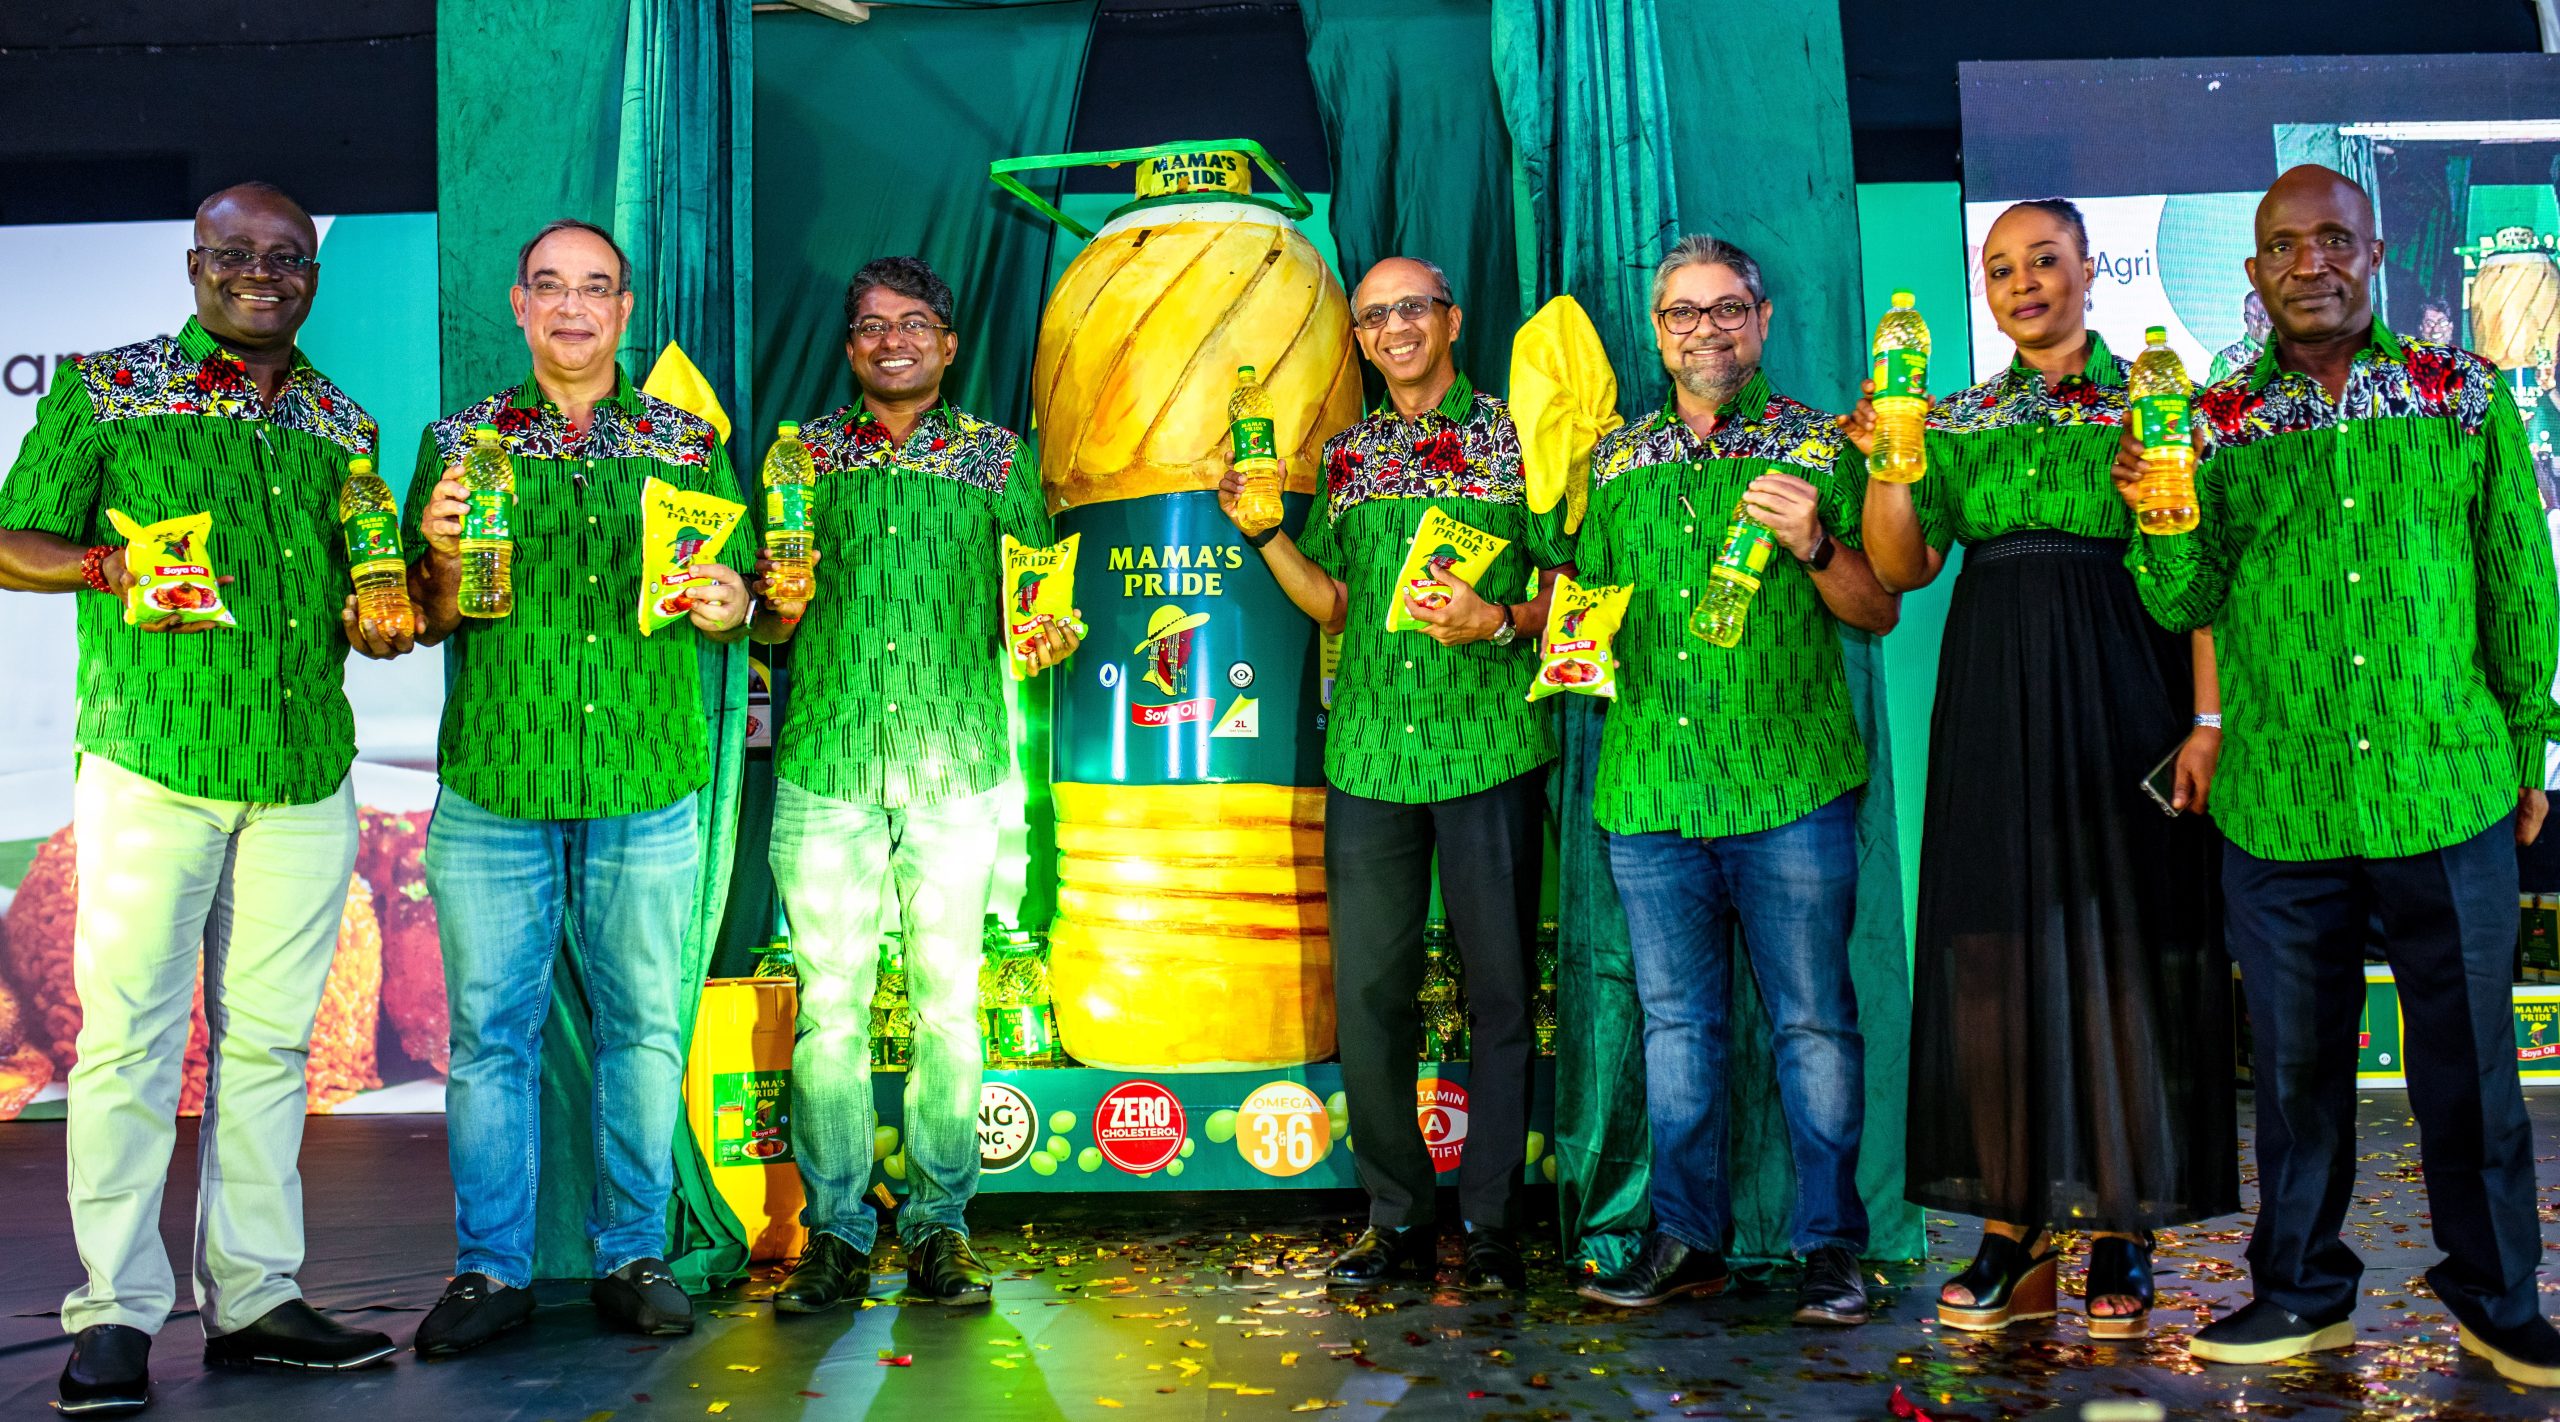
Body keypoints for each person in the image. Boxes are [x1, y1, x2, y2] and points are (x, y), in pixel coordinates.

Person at [2116, 164, 2560, 1386]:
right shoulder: (2210, 420)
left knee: (2469, 1068)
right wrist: (2158, 519)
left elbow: (2516, 577)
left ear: (2372, 254)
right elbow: (2184, 602)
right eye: (2283, 245)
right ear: (2252, 270)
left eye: (2332, 240)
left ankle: (2497, 1300)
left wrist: (2528, 741)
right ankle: (2300, 1294)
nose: (2308, 262)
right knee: (2297, 1075)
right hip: (2282, 799)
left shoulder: (2461, 396)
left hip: (2443, 784)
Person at [0, 182, 410, 1415]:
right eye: (235, 254)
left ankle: (255, 1298)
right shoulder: (107, 389)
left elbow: (353, 589)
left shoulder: (342, 421)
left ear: (312, 277)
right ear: (194, 266)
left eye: (286, 257)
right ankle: (115, 1315)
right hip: (154, 764)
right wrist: (108, 563)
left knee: (273, 1049)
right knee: (129, 1046)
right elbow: (14, 540)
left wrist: (379, 618)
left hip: (303, 768)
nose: (261, 275)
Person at [1851, 198, 2235, 1341]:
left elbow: (2201, 570)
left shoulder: (2157, 400)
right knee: (1990, 950)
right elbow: (1900, 567)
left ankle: (2121, 1223)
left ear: (2087, 270)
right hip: (1991, 689)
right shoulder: (1956, 415)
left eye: (2044, 261)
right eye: (2001, 268)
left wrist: (2205, 718)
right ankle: (2010, 1230)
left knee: (2121, 948)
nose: (2022, 283)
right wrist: (1889, 461)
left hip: (2124, 685)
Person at [404, 218, 753, 1355]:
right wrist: (439, 557)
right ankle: (489, 1271)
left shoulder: (688, 443)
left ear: (624, 307)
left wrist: (733, 603)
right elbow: (427, 618)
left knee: (644, 1029)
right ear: (518, 305)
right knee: (488, 1039)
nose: (571, 307)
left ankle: (633, 1254)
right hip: (496, 786)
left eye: (593, 288)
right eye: (549, 286)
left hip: (645, 780)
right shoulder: (457, 443)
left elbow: (735, 594)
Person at [1217, 257, 1564, 1292]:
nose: (1394, 328)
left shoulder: (1517, 436)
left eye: (1411, 308)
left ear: (1451, 320)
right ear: (1362, 341)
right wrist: (1266, 535)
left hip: (1490, 746)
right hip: (1369, 754)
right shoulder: (1348, 455)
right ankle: (1396, 1219)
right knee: (1371, 998)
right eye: (1373, 317)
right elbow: (1334, 602)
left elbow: (1571, 587)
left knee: (1501, 995)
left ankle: (1493, 1225)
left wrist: (1496, 620)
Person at [1572, 235, 1898, 1325]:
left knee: (1813, 1027)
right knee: (1676, 1031)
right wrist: (1556, 632)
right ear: (1656, 331)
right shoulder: (1615, 462)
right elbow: (1589, 605)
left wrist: (1815, 545)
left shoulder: (1820, 446)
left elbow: (1877, 609)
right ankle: (1686, 1240)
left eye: (1725, 310)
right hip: (1648, 792)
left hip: (1787, 790)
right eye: (1682, 312)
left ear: (1761, 321)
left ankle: (1831, 1249)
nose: (1703, 330)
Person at [746, 256, 1076, 1313]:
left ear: (949, 342)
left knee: (948, 1011)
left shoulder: (997, 459)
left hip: (955, 769)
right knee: (830, 1017)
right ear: (850, 347)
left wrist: (1045, 634)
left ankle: (940, 1229)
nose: (893, 340)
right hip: (827, 769)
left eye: (914, 322)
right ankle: (837, 1235)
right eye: (872, 325)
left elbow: (1030, 609)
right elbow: (765, 623)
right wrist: (773, 605)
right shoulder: (800, 458)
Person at [2206, 289, 2270, 384]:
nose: (2267, 322)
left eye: (2272, 315)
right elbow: (2211, 392)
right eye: (2261, 316)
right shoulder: (2227, 359)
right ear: (2247, 319)